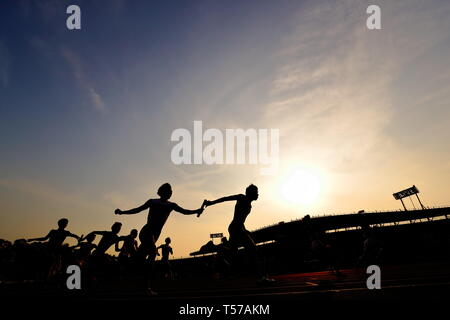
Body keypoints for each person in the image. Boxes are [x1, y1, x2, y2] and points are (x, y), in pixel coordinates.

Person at [114, 183, 205, 294]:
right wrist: (122, 212)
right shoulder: (152, 202)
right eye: (168, 191)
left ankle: (133, 277)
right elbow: (137, 210)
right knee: (152, 254)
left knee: (140, 259)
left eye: (171, 191)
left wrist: (196, 211)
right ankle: (146, 287)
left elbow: (184, 211)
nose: (170, 193)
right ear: (161, 192)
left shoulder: (172, 205)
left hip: (155, 235)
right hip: (147, 232)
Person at [204, 184, 274, 283]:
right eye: (256, 192)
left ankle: (217, 248)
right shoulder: (242, 198)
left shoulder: (249, 204)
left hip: (237, 228)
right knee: (253, 249)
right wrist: (211, 202)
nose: (258, 194)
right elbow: (225, 198)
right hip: (236, 228)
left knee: (232, 252)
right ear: (251, 193)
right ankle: (260, 277)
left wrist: (245, 229)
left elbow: (241, 219)